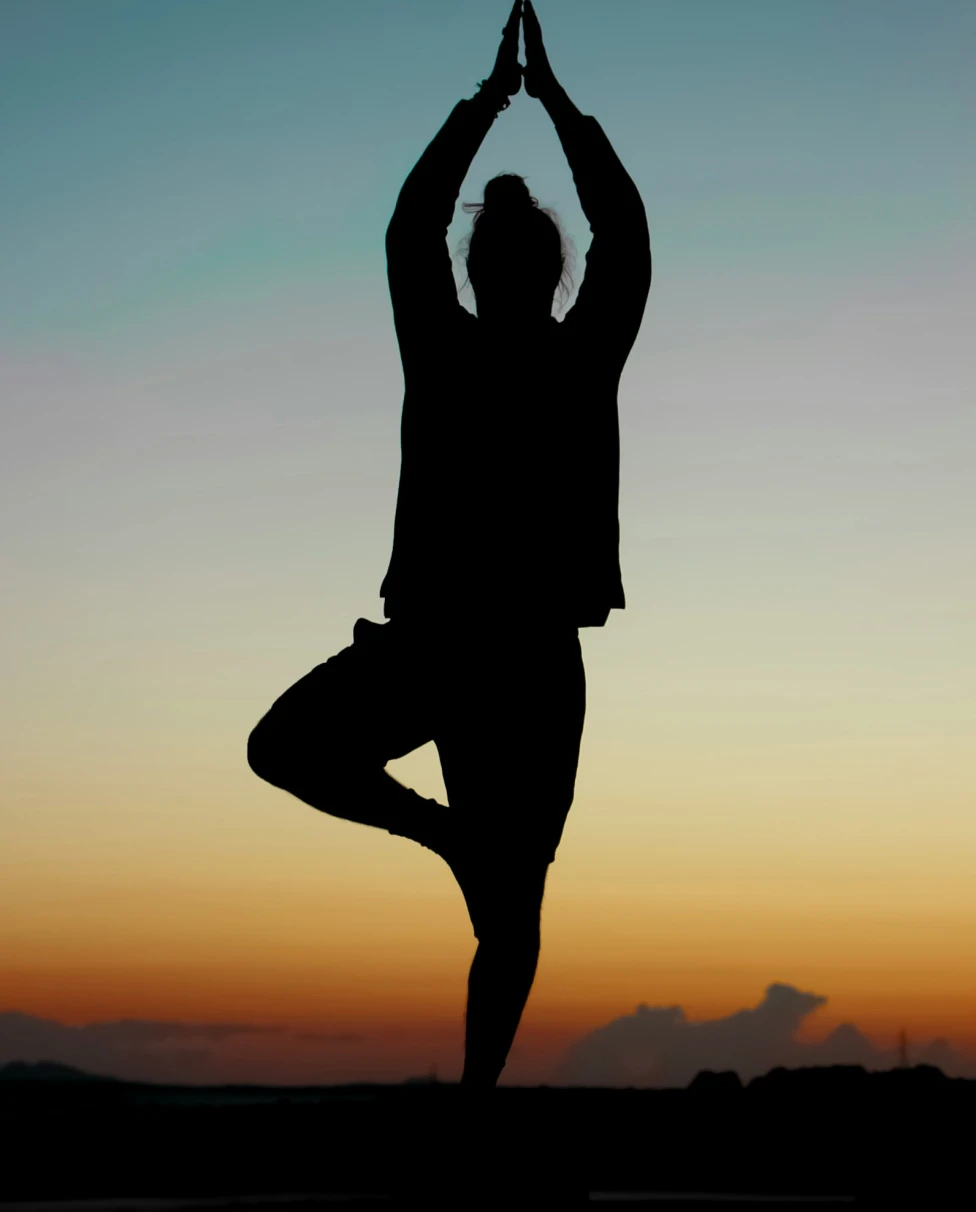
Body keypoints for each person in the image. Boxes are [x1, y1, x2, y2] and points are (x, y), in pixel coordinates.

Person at [247, 0, 651, 1091]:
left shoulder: (483, 348)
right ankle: (473, 1068)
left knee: (296, 757)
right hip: (494, 655)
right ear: (539, 268)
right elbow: (623, 231)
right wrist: (554, 107)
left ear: (483, 269)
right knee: (508, 904)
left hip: (463, 653)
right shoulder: (563, 353)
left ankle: (473, 1090)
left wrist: (490, 104)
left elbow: (411, 225)